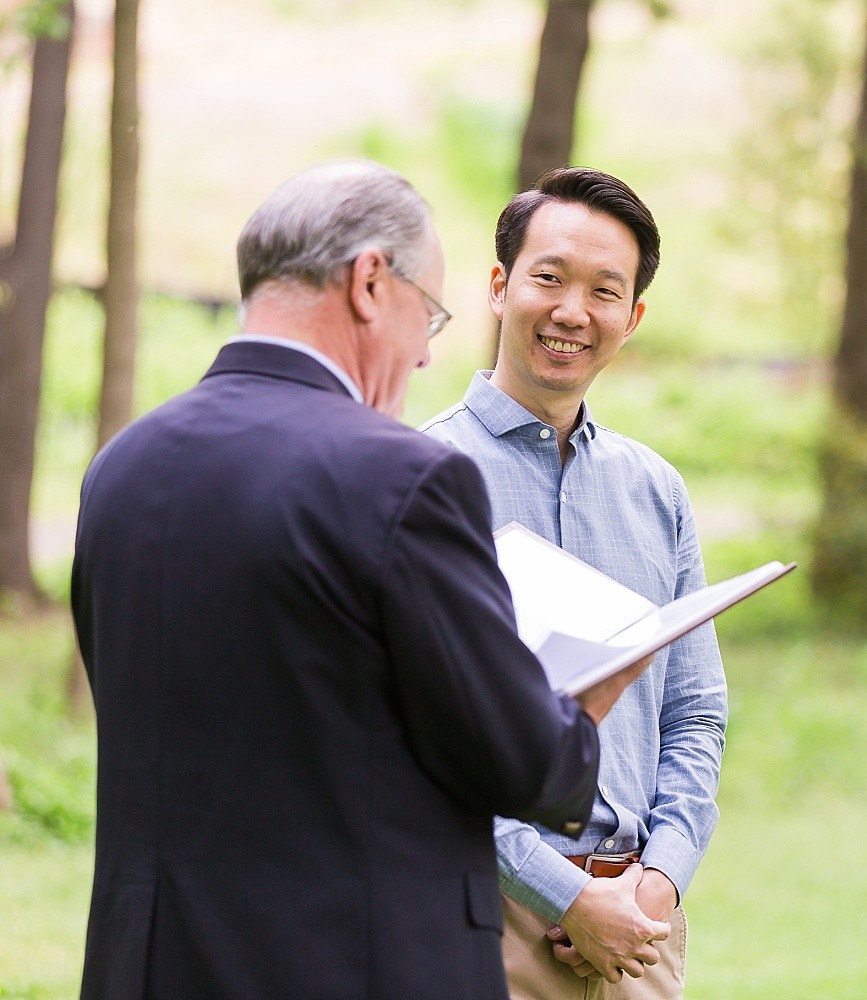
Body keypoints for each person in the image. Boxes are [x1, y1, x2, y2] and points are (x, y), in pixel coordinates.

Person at [70, 161, 658, 1000]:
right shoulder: (403, 478)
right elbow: (522, 760)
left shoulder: (121, 469)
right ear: (372, 283)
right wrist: (587, 700)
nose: (423, 354)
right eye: (430, 314)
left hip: (149, 965)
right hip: (350, 965)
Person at [422, 167, 727, 998]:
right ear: (499, 286)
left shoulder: (655, 490)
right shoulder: (418, 477)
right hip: (484, 920)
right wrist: (564, 893)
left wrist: (655, 883)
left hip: (641, 929)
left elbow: (694, 712)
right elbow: (412, 738)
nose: (571, 312)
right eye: (548, 278)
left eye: (604, 291)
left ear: (632, 318)